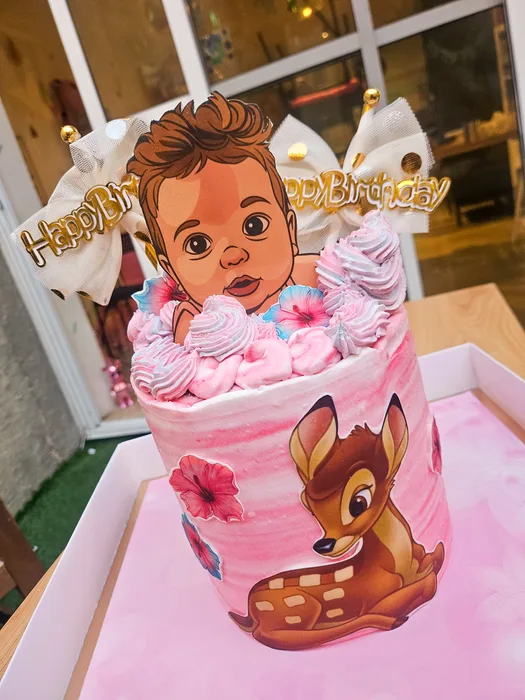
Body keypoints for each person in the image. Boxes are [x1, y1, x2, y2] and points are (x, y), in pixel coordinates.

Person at [127, 92, 318, 343]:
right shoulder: (192, 332)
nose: (233, 255)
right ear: (171, 270)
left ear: (290, 228)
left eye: (254, 225)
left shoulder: (319, 278)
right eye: (197, 244)